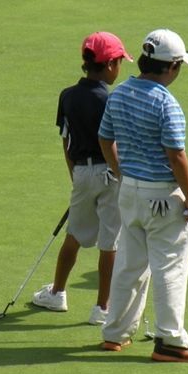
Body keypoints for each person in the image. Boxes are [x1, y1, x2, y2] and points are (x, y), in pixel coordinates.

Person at [97, 29, 188, 364]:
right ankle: (171, 341)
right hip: (162, 197)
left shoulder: (119, 94)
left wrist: (121, 172)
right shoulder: (166, 103)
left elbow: (105, 139)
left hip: (129, 191)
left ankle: (115, 333)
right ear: (171, 66)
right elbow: (176, 155)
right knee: (170, 268)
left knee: (130, 265)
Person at [31, 32, 132, 325]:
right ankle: (102, 308)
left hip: (82, 173)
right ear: (110, 64)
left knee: (74, 235)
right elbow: (110, 141)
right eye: (119, 63)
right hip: (110, 173)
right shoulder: (110, 100)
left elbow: (66, 139)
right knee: (109, 242)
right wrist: (119, 172)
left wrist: (75, 175)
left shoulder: (67, 96)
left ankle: (58, 292)